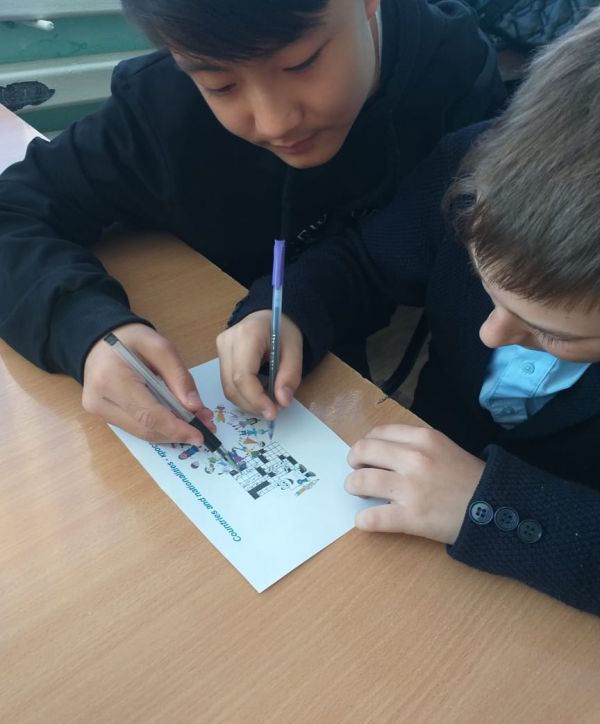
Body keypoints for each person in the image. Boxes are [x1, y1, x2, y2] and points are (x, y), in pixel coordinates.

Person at [218, 7, 600, 615]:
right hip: (410, 522)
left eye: (552, 333)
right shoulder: (471, 160)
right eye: (485, 286)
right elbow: (364, 261)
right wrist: (284, 313)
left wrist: (491, 505)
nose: (490, 334)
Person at [0, 0, 504, 448]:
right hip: (239, 363)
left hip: (364, 374)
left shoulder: (457, 72)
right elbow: (15, 209)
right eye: (220, 86)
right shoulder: (160, 106)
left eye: (301, 62)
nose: (274, 122)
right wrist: (84, 328)